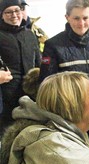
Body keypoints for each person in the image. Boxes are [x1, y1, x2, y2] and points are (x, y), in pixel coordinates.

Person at [39, 0, 89, 149]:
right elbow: (45, 85)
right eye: (76, 18)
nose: (81, 23)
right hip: (67, 120)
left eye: (85, 18)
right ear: (67, 17)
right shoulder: (53, 45)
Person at [0, 0, 41, 138]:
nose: (14, 15)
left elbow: (39, 63)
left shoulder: (30, 35)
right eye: (9, 12)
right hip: (6, 98)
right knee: (6, 135)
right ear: (2, 15)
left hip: (30, 97)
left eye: (17, 10)